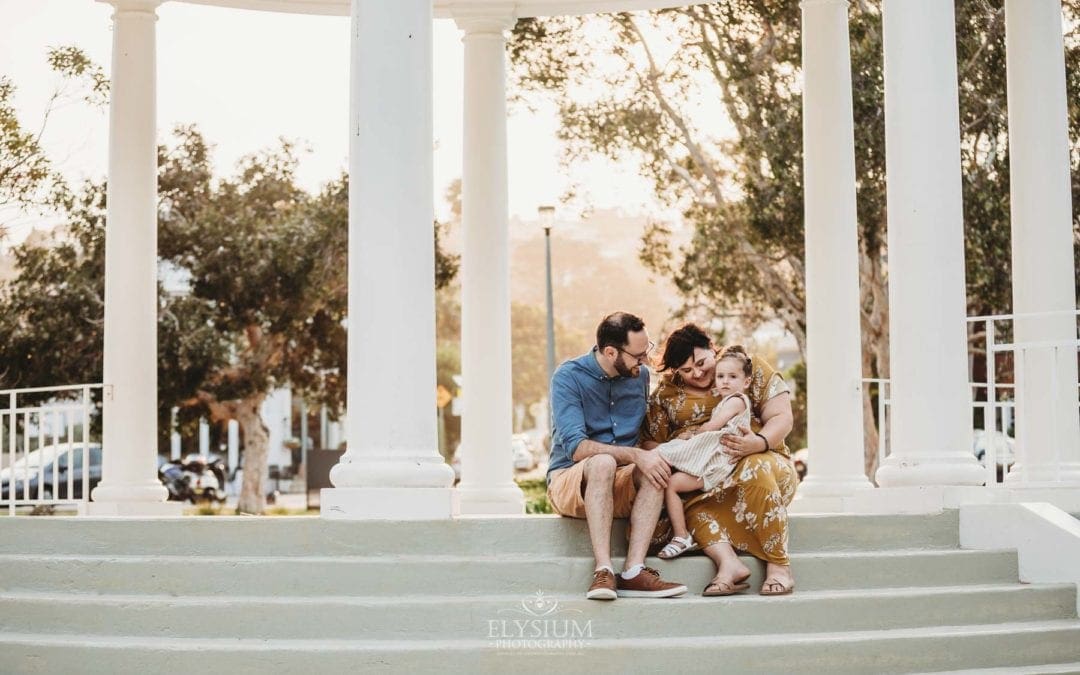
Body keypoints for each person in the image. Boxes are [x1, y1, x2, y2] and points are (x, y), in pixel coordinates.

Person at [641, 323, 798, 597]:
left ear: (713, 347)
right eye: (686, 371)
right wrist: (684, 446)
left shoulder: (746, 366)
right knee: (688, 500)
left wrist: (757, 443)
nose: (698, 373)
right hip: (701, 473)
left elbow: (782, 416)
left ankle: (778, 566)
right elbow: (649, 442)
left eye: (702, 363)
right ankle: (728, 565)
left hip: (758, 459)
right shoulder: (665, 395)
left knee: (755, 468)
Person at [547, 312, 687, 601]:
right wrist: (635, 454)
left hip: (619, 482)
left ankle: (634, 571)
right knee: (602, 461)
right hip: (570, 482)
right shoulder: (568, 377)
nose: (645, 362)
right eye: (638, 356)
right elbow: (577, 448)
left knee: (654, 466)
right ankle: (604, 571)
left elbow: (642, 441)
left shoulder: (640, 377)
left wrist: (665, 450)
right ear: (611, 352)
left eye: (646, 351)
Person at [653, 345, 754, 564]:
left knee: (671, 451)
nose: (725, 381)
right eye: (720, 376)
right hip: (714, 460)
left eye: (732, 376)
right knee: (672, 484)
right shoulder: (727, 400)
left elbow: (713, 426)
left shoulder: (736, 400)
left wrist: (692, 435)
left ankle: (681, 536)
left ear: (746, 382)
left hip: (717, 461)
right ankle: (682, 535)